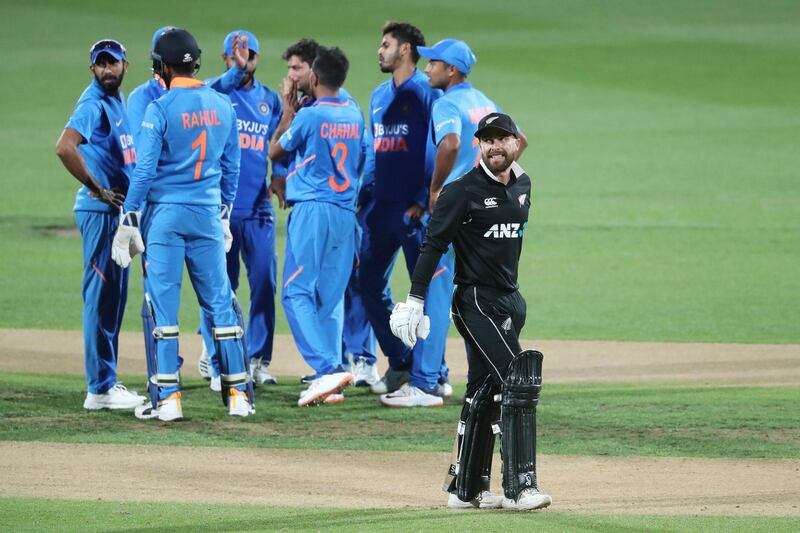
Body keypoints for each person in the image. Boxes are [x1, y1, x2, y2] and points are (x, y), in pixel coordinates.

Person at [390, 112, 551, 511]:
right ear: (479, 144)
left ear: (516, 142)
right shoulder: (461, 191)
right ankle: (521, 487)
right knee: (519, 377)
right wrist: (415, 300)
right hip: (475, 301)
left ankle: (466, 489)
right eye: (487, 140)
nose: (495, 146)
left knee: (483, 391)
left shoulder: (524, 185)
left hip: (510, 299)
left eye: (503, 139)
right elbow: (433, 245)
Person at [112, 28, 252, 421]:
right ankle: (239, 395)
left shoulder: (159, 108)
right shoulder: (224, 106)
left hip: (167, 219)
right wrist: (224, 214)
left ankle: (169, 400)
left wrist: (129, 218)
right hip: (208, 216)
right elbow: (233, 167)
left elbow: (143, 172)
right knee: (220, 305)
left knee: (164, 307)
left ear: (162, 66)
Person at [357, 21, 450, 407]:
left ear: (406, 50)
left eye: (386, 44)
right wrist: (365, 197)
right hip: (382, 207)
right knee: (366, 282)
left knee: (424, 291)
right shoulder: (379, 96)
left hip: (414, 210)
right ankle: (400, 359)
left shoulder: (427, 94)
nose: (380, 51)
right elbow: (377, 151)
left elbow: (436, 148)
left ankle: (436, 374)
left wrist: (421, 197)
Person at [275, 40, 375, 399]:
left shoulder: (310, 114)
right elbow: (364, 157)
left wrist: (287, 111)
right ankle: (331, 376)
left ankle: (327, 368)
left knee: (295, 292)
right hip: (345, 212)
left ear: (314, 76)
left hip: (313, 210)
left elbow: (274, 150)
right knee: (329, 297)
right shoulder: (352, 112)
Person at [55, 38, 146, 412]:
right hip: (100, 214)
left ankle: (106, 381)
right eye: (101, 64)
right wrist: (97, 188)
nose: (107, 70)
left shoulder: (116, 102)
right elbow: (65, 146)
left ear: (127, 65)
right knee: (100, 297)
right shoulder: (93, 103)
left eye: (113, 63)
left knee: (113, 299)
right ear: (92, 68)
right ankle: (99, 389)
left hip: (116, 216)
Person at [195, 30, 282, 391]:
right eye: (234, 56)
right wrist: (235, 72)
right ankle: (216, 357)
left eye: (249, 56)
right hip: (219, 208)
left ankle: (258, 359)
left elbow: (277, 143)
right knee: (219, 285)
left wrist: (279, 175)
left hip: (258, 206)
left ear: (259, 59)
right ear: (225, 59)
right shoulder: (211, 94)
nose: (243, 62)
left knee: (264, 281)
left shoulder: (270, 101)